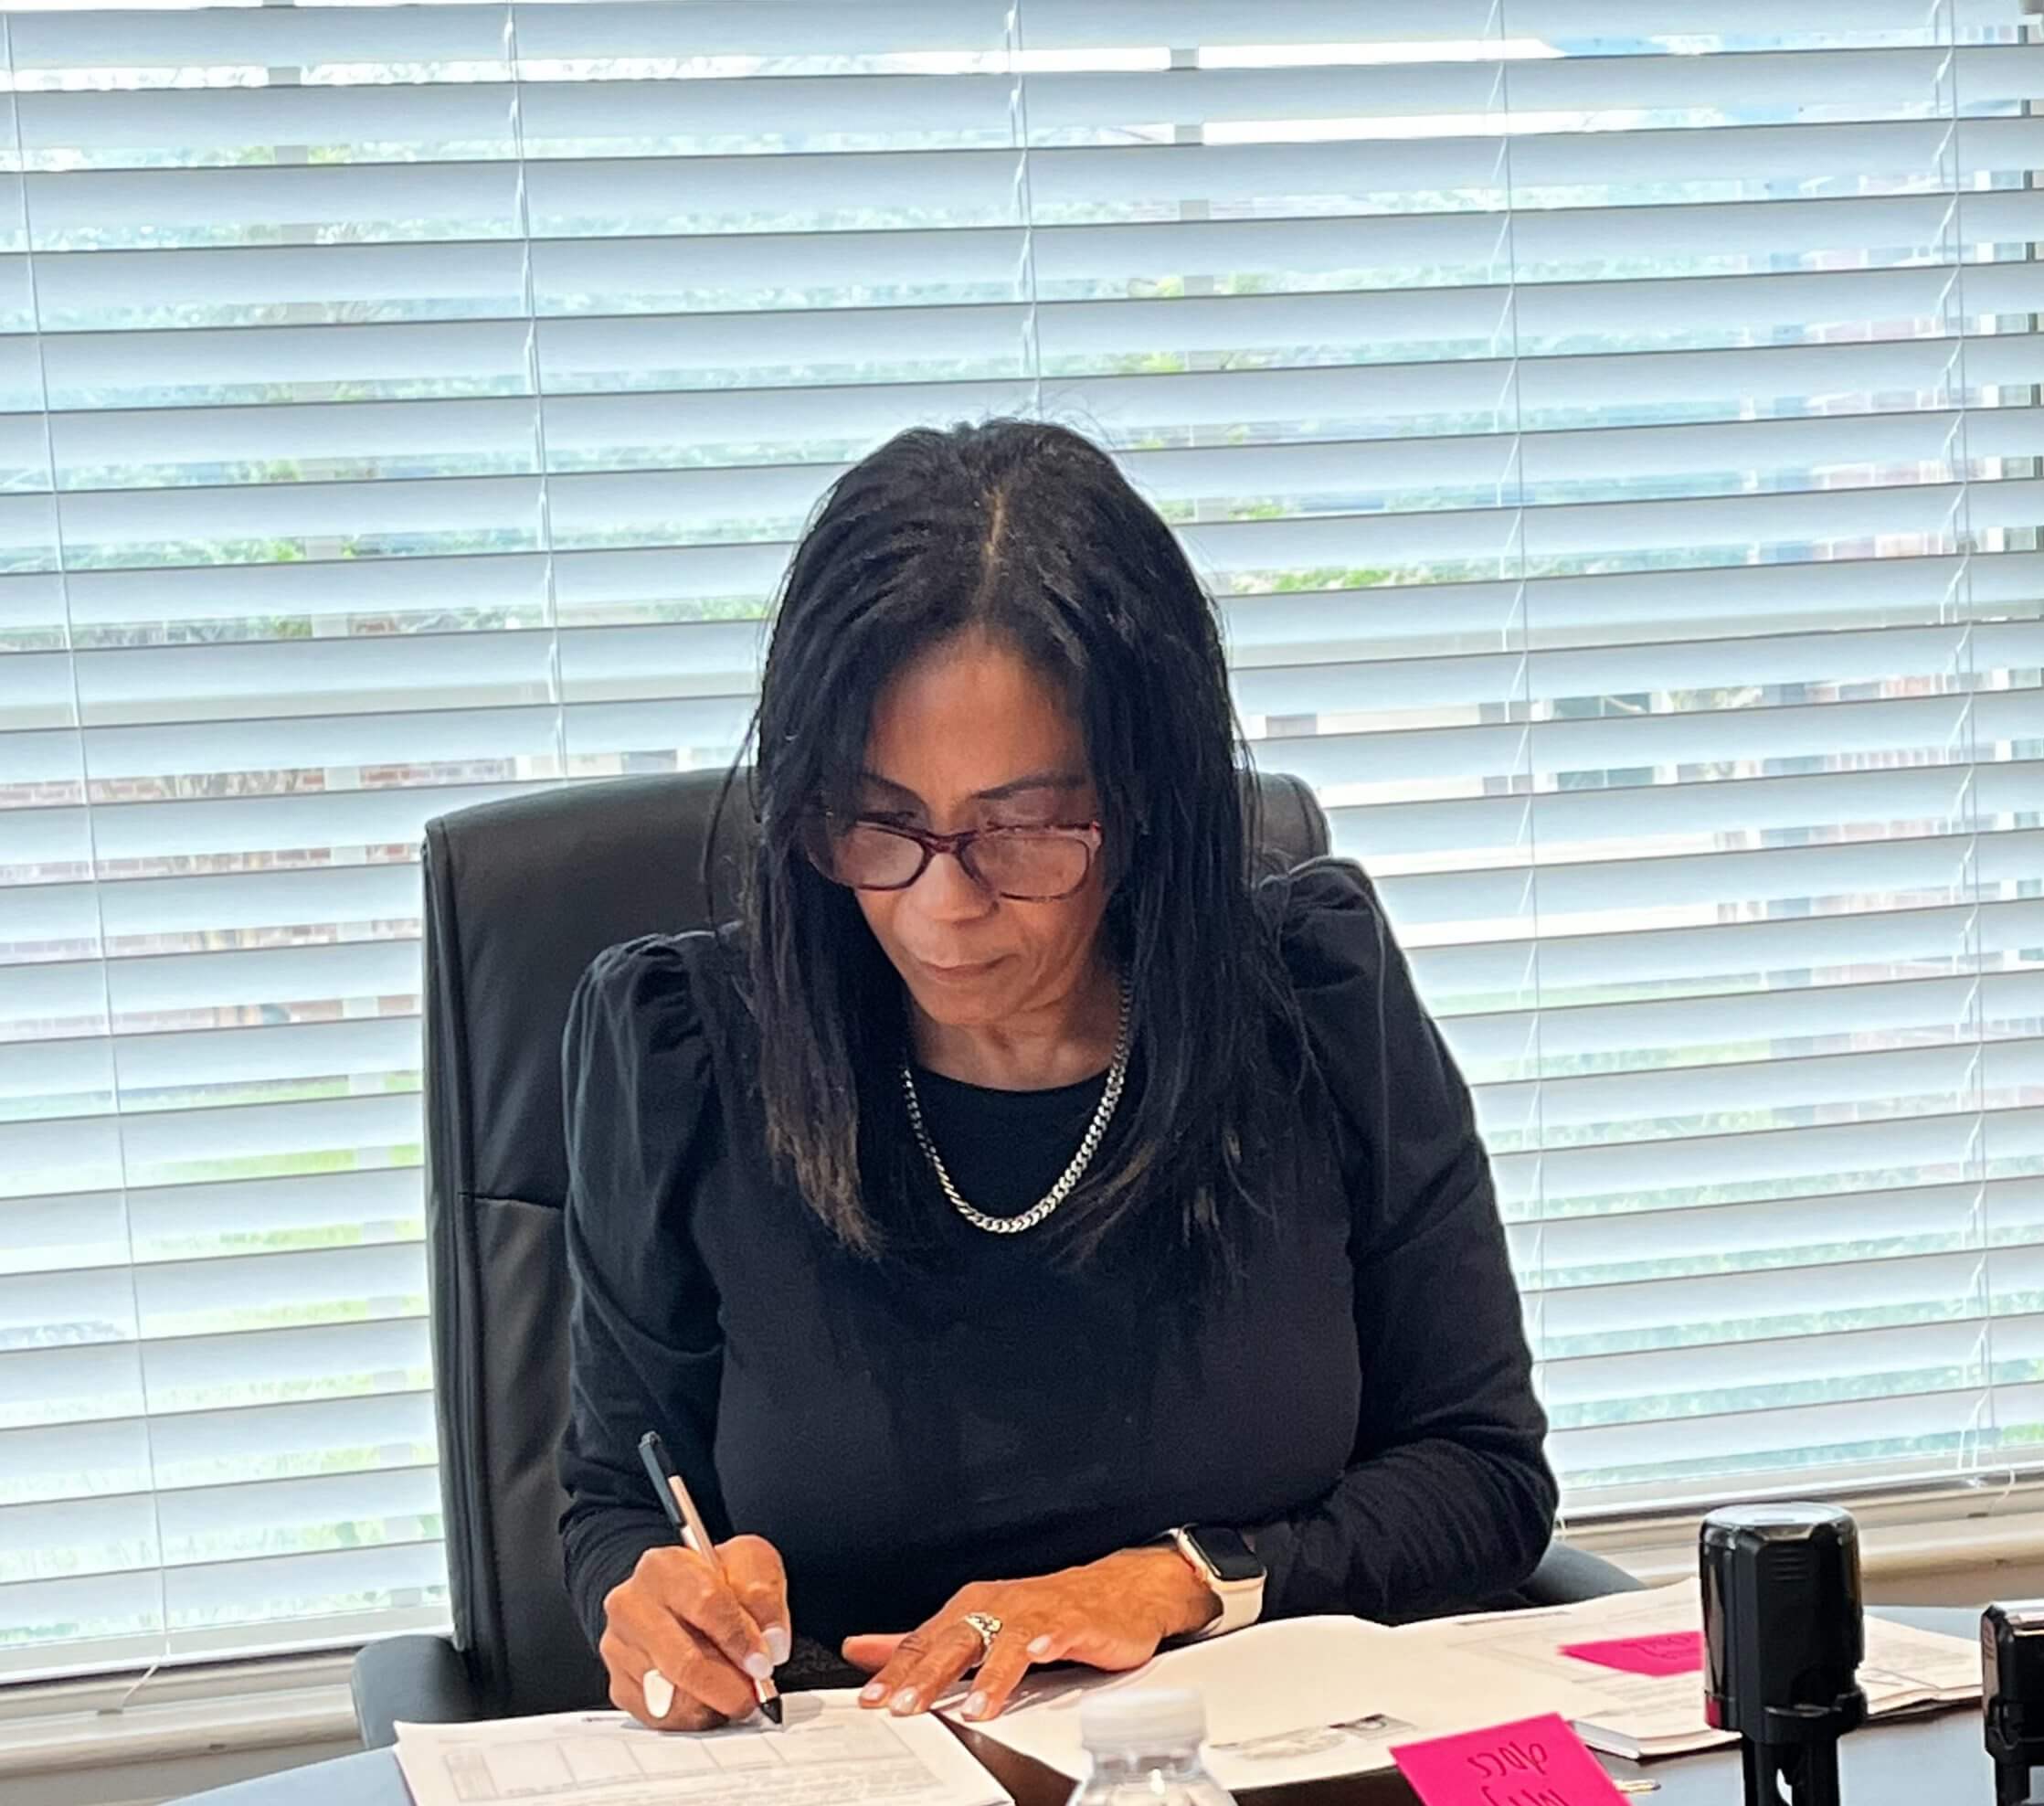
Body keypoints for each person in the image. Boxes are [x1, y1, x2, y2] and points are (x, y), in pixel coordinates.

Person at [558, 420, 1604, 1736]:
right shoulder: (683, 1056)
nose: (942, 906)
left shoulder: (1314, 1008)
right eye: (880, 819)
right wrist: (655, 1609)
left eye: (1021, 830)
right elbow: (615, 1499)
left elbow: (1484, 1476)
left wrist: (1175, 1580)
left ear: (1148, 799)